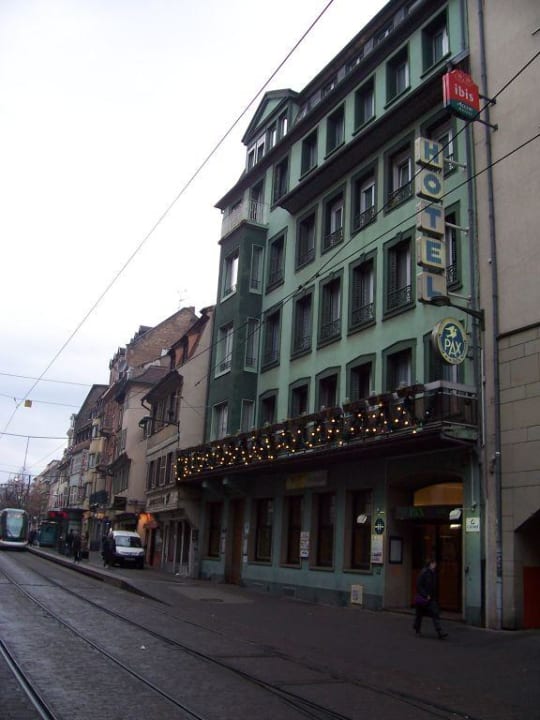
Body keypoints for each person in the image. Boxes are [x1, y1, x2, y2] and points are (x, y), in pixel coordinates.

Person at [413, 559, 448, 639]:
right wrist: (425, 595)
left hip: (431, 599)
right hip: (423, 598)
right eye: (434, 563)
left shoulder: (433, 573)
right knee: (419, 615)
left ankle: (440, 632)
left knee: (435, 613)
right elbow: (419, 585)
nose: (435, 565)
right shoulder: (424, 573)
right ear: (430, 564)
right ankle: (417, 627)